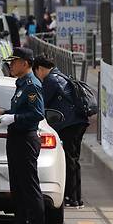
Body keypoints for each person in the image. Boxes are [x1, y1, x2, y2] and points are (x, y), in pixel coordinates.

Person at [0, 47, 46, 224]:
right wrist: (5, 113)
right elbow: (20, 108)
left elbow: (37, 113)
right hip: (16, 138)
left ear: (25, 63)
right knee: (17, 186)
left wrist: (13, 117)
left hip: (26, 138)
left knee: (29, 186)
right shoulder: (21, 83)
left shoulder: (32, 85)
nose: (11, 65)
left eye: (14, 62)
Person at [33, 56, 89, 208]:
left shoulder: (51, 80)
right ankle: (76, 198)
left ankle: (71, 197)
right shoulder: (61, 76)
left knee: (69, 160)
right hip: (78, 122)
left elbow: (42, 102)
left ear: (40, 68)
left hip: (69, 124)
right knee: (74, 160)